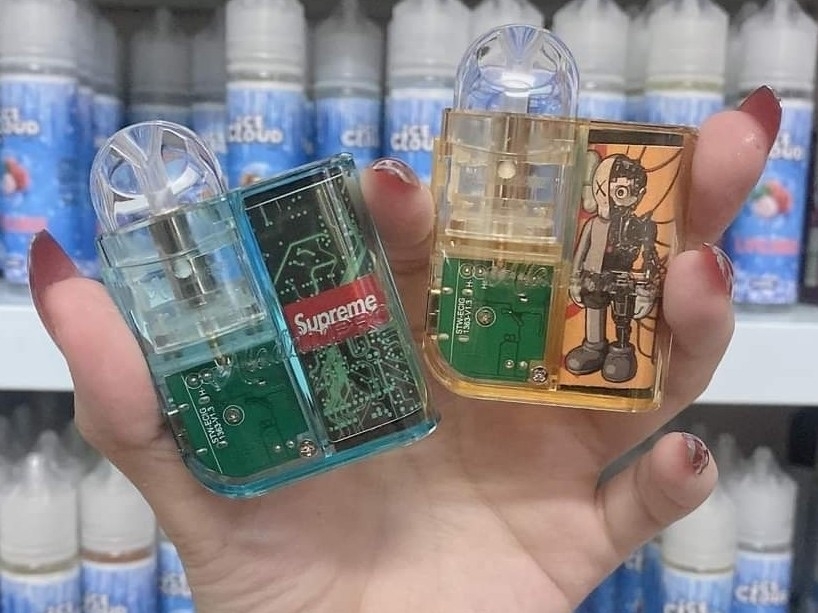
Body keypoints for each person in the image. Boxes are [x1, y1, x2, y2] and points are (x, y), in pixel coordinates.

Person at [29, 86, 779, 612]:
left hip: (599, 301)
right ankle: (595, 348)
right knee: (586, 329)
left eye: (621, 186)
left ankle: (604, 349)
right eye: (612, 186)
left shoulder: (630, 221)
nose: (616, 194)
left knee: (609, 326)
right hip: (324, 455)